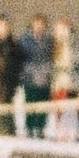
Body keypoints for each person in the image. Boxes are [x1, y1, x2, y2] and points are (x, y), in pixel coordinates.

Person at [18, 12, 56, 140]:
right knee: (30, 104)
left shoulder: (50, 40)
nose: (39, 27)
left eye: (41, 24)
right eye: (37, 24)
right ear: (33, 25)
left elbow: (53, 57)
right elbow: (20, 58)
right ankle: (29, 128)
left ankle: (40, 128)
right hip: (30, 77)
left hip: (45, 77)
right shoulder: (25, 40)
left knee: (43, 105)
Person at [49, 18, 79, 142]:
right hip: (58, 83)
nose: (62, 32)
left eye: (64, 29)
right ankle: (62, 133)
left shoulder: (74, 43)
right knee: (60, 109)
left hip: (72, 82)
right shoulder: (53, 44)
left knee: (76, 108)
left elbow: (76, 61)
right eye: (59, 30)